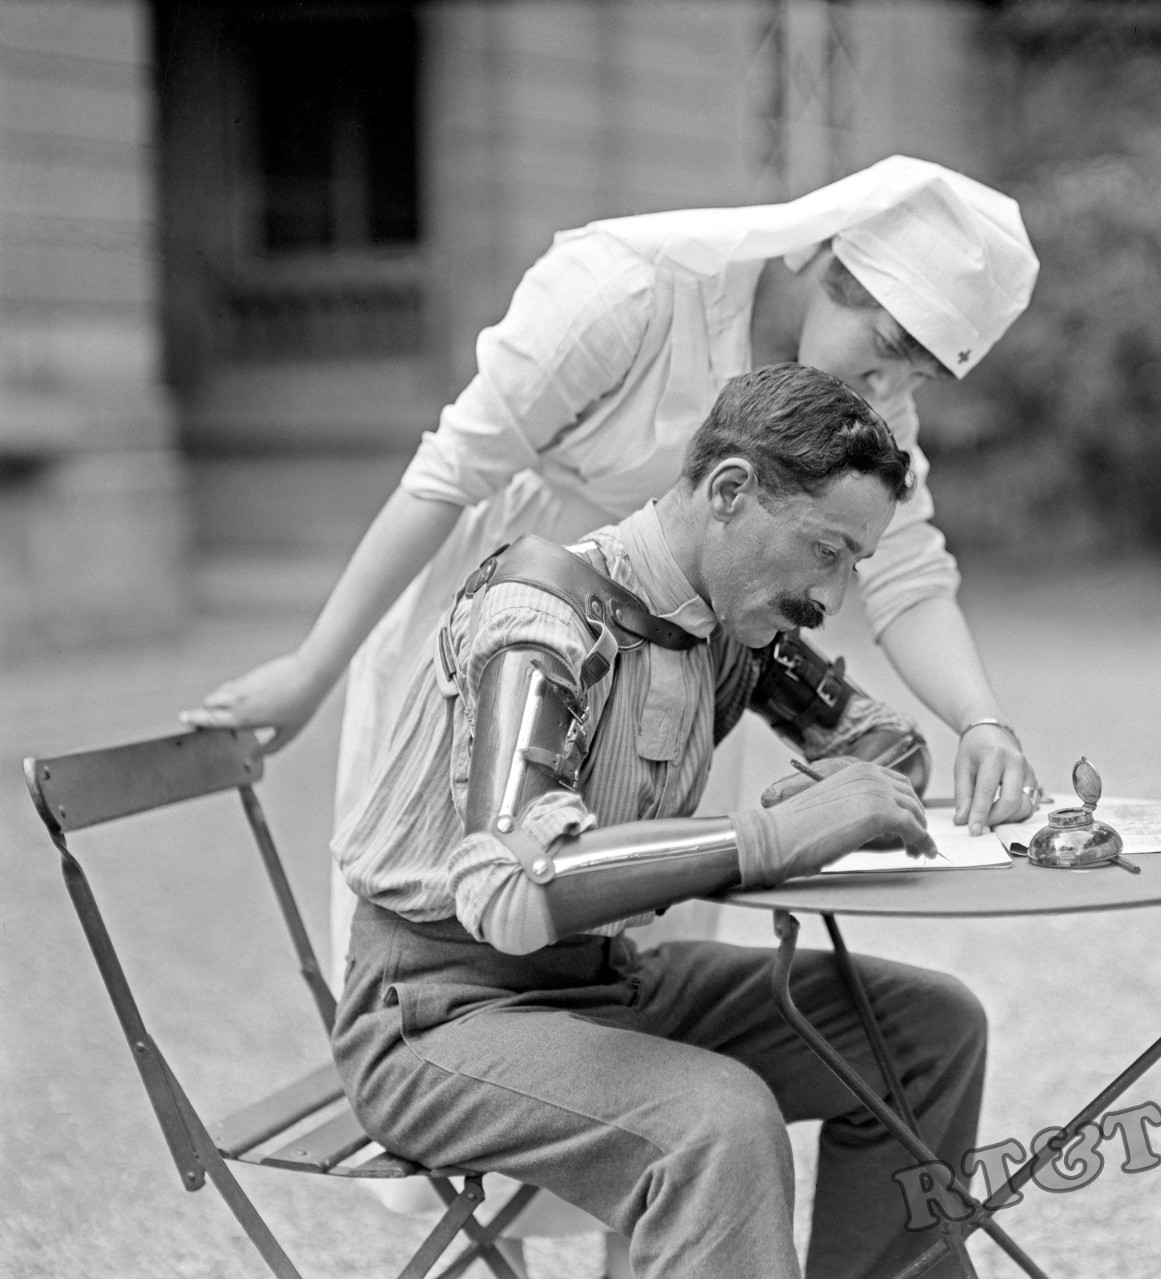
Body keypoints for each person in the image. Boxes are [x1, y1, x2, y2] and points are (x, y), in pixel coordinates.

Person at [179, 155, 1045, 993]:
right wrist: (311, 669)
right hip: (520, 619)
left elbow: (908, 571)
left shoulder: (873, 407)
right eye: (886, 346)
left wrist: (981, 721)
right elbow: (447, 474)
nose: (890, 386)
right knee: (468, 904)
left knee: (643, 942)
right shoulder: (629, 291)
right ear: (822, 257)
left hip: (677, 660)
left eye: (919, 375)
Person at [333, 365, 987, 1279]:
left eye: (852, 564)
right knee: (716, 1123)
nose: (831, 598)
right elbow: (511, 887)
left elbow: (885, 742)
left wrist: (854, 780)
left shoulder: (726, 623)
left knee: (927, 1030)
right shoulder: (542, 619)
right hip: (440, 1014)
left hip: (605, 984)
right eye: (825, 551)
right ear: (730, 491)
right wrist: (763, 840)